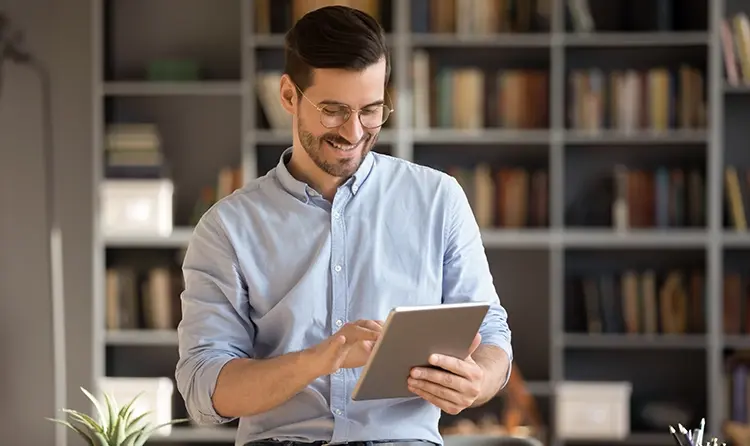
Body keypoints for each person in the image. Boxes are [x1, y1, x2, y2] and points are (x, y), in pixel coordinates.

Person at [175, 5, 513, 446]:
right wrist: (321, 359)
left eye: (371, 110)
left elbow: (491, 334)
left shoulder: (438, 200)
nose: (354, 132)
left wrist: (479, 380)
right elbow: (204, 388)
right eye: (333, 110)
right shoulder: (227, 227)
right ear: (289, 96)